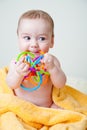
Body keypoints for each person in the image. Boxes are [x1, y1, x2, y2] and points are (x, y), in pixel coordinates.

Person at [6, 10, 66, 108]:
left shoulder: (52, 61)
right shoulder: (17, 62)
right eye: (27, 38)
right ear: (18, 39)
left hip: (46, 106)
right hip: (22, 107)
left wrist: (52, 69)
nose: (34, 44)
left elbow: (61, 84)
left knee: (59, 110)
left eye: (42, 38)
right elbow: (11, 84)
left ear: (52, 41)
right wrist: (18, 73)